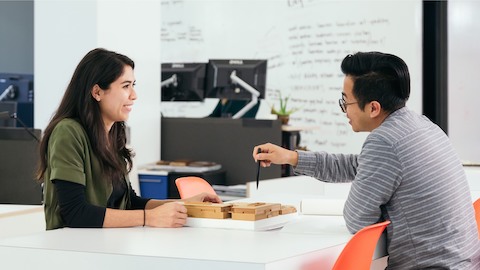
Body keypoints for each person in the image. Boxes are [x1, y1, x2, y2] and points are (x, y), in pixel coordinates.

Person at [253, 52, 480, 269]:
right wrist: (291, 157)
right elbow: (361, 166)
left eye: (346, 102)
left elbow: (357, 219)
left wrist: (381, 208)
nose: (344, 111)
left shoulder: (385, 141)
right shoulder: (421, 125)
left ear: (373, 108)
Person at [36, 48, 221, 230]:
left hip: (106, 246)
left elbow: (130, 202)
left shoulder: (112, 133)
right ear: (97, 92)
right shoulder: (68, 132)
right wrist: (149, 218)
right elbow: (75, 213)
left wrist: (185, 204)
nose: (134, 95)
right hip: (73, 249)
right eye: (126, 86)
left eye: (133, 85)